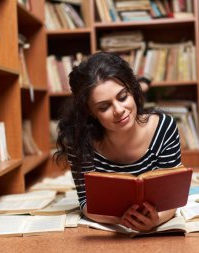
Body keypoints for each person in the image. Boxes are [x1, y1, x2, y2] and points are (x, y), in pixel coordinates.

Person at [55, 52, 182, 232]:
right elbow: (86, 202)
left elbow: (173, 197)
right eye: (104, 107)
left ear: (131, 89)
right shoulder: (78, 141)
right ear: (90, 111)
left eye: (123, 97)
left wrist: (156, 220)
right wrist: (123, 220)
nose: (119, 110)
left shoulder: (164, 128)